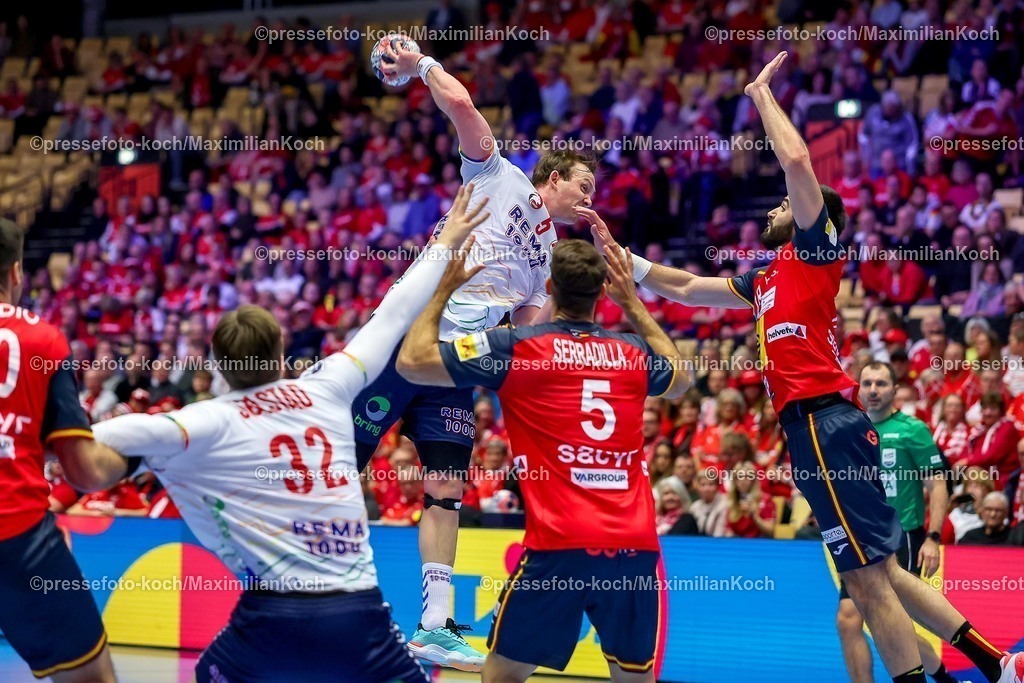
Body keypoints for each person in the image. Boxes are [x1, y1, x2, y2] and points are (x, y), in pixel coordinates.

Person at [590, 51, 1023, 683]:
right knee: (883, 573)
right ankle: (996, 663)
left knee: (865, 578)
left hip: (824, 422)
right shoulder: (764, 277)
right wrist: (622, 255)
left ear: (810, 214)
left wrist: (761, 94)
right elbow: (685, 286)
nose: (769, 212)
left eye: (779, 208)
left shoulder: (816, 251)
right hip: (816, 430)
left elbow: (795, 161)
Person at [57, 185, 489, 683]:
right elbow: (393, 314)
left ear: (218, 365)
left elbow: (96, 458)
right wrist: (448, 240)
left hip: (269, 616)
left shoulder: (202, 421)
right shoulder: (330, 383)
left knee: (209, 674)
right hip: (360, 613)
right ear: (282, 356)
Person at [365, 39, 599, 670]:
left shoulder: (547, 258)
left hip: (456, 364)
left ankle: (434, 625)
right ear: (553, 179)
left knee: (446, 490)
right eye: (583, 185)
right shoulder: (500, 176)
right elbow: (462, 106)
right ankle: (303, 593)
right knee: (341, 466)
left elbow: (527, 332)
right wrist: (422, 66)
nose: (590, 197)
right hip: (410, 334)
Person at [395, 239, 689, 682]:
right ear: (604, 291)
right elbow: (682, 379)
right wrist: (635, 305)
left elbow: (415, 361)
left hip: (561, 545)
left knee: (502, 675)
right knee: (633, 678)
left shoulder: (518, 347)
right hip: (635, 545)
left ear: (549, 286)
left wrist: (440, 293)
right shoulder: (632, 352)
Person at [0, 218, 117, 681]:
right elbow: (84, 473)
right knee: (91, 678)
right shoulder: (43, 340)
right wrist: (140, 452)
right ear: (15, 273)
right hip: (19, 539)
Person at [837, 363, 959, 683]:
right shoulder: (850, 429)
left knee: (892, 623)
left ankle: (944, 678)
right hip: (860, 537)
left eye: (881, 383)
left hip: (900, 536)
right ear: (858, 389)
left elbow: (937, 483)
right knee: (849, 620)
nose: (873, 390)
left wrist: (933, 537)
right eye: (867, 383)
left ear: (894, 390)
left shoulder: (912, 429)